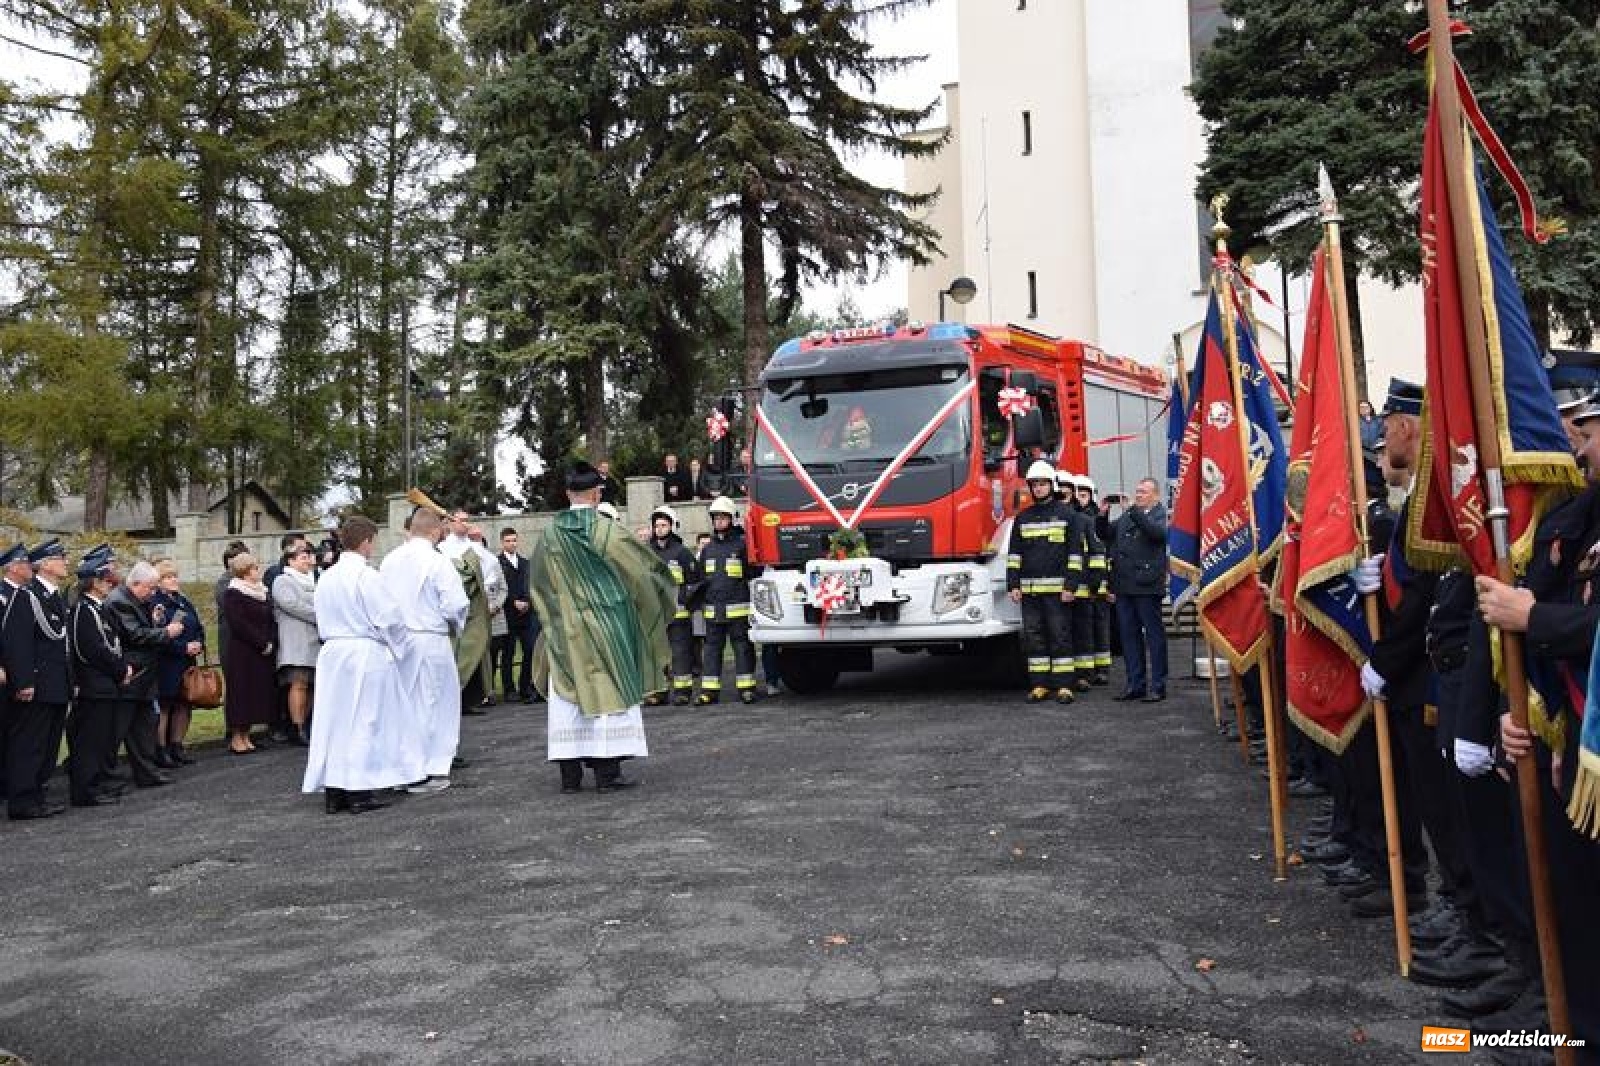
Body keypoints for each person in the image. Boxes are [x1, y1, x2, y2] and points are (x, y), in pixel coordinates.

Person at [528, 461, 676, 794]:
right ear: (596, 494)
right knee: (610, 691)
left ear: (568, 494)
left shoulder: (550, 535)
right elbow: (641, 575)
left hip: (567, 629)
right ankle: (607, 774)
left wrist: (556, 614)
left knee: (568, 698)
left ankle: (570, 777)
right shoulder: (608, 531)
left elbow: (538, 581)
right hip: (608, 627)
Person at [301, 515, 424, 814]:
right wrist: (402, 646)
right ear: (367, 541)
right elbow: (389, 618)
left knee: (335, 721)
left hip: (333, 653)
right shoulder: (366, 576)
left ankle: (335, 789)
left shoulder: (326, 577)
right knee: (364, 719)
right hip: (363, 652)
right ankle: (358, 789)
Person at [381, 506, 469, 794]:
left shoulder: (390, 560)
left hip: (398, 641)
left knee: (404, 703)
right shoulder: (437, 561)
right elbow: (455, 602)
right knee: (434, 702)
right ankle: (429, 766)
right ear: (435, 532)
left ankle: (403, 766)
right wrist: (456, 624)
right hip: (430, 638)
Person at [106, 560, 189, 787]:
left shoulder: (138, 600)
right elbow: (135, 635)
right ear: (135, 583)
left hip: (144, 675)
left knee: (144, 726)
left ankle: (146, 772)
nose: (153, 593)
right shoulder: (119, 601)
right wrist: (165, 632)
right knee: (118, 728)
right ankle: (104, 775)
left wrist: (157, 622)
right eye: (150, 588)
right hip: (131, 674)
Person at [1, 541, 67, 820]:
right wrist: (24, 680)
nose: (32, 567)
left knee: (43, 743)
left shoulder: (29, 596)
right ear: (14, 567)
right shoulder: (20, 598)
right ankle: (22, 800)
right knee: (27, 743)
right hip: (31, 681)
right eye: (27, 563)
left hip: (49, 680)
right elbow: (18, 644)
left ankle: (34, 796)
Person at [1008, 462, 1077, 704]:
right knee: (1034, 638)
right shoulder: (1022, 518)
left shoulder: (1068, 515)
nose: (1038, 489)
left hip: (1059, 592)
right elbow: (1014, 555)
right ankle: (1039, 684)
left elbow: (1075, 556)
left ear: (1052, 486)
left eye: (1042, 484)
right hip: (1030, 592)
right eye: (1034, 485)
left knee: (1060, 636)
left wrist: (1071, 586)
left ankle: (1064, 686)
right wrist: (1013, 585)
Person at [65, 548, 129, 809]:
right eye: (104, 580)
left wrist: (120, 668)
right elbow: (90, 648)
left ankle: (95, 784)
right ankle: (84, 790)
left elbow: (112, 641)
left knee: (101, 739)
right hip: (94, 682)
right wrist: (118, 668)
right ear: (92, 582)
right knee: (89, 741)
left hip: (106, 682)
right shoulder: (83, 609)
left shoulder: (99, 608)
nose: (109, 585)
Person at [1108, 477, 1169, 702]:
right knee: (1129, 637)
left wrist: (1134, 512)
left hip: (1146, 584)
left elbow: (1157, 534)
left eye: (1143, 491)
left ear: (1155, 495)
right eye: (1137, 491)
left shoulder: (1158, 514)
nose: (1139, 494)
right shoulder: (1129, 514)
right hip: (1125, 584)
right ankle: (1135, 683)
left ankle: (1158, 685)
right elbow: (1107, 533)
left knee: (1154, 637)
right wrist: (1102, 514)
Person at [698, 496, 759, 704]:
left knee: (742, 648)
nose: (719, 522)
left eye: (723, 518)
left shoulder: (742, 546)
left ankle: (747, 688)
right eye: (716, 518)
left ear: (732, 519)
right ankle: (709, 691)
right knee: (712, 650)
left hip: (738, 610)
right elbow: (701, 579)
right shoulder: (707, 549)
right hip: (713, 611)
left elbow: (752, 573)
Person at [220, 553, 278, 756]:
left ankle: (247, 735)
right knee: (240, 694)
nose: (258, 571)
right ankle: (237, 737)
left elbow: (270, 619)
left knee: (255, 693)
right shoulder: (233, 593)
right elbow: (239, 624)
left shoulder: (262, 592)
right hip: (242, 652)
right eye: (254, 568)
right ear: (244, 572)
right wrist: (261, 642)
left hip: (261, 652)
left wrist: (270, 640)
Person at [643, 506, 701, 706]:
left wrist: (686, 597)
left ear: (672, 527)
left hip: (678, 613)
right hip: (655, 615)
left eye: (663, 525)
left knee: (680, 652)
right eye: (656, 525)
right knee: (656, 653)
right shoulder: (647, 553)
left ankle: (682, 691)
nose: (659, 529)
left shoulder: (682, 553)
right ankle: (659, 692)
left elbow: (695, 580)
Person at [150, 560, 205, 766]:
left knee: (184, 704)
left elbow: (198, 625)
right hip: (167, 662)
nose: (174, 580)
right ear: (158, 581)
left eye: (174, 576)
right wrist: (183, 647)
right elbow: (160, 635)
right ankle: (161, 750)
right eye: (168, 577)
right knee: (165, 706)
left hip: (187, 662)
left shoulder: (183, 601)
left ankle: (177, 746)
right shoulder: (156, 603)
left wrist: (199, 642)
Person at [271, 541, 319, 746]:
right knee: (298, 684)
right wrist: (320, 614)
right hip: (296, 639)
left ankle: (305, 724)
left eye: (309, 555)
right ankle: (296, 727)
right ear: (290, 561)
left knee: (310, 686)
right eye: (303, 556)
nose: (308, 559)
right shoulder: (283, 580)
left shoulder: (313, 581)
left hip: (314, 640)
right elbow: (291, 604)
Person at [494, 528, 539, 703]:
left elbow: (530, 584)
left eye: (514, 540)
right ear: (502, 542)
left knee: (529, 650)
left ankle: (525, 686)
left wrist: (527, 601)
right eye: (508, 541)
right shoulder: (497, 563)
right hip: (508, 613)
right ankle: (509, 689)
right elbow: (500, 587)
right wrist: (513, 602)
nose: (512, 543)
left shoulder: (526, 563)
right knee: (508, 653)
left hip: (526, 614)